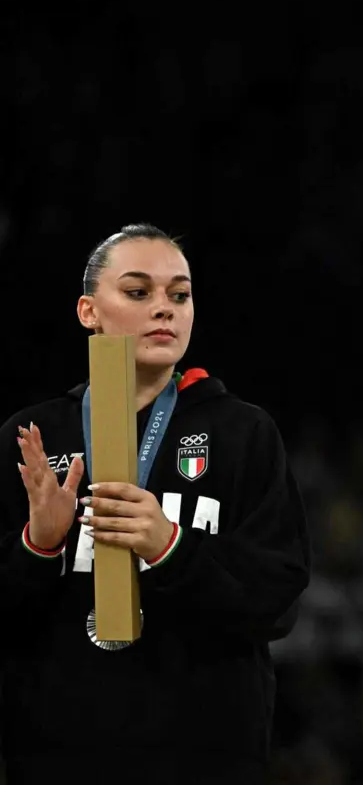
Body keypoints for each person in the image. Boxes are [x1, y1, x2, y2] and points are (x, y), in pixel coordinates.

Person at [0, 224, 312, 784]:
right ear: (88, 311)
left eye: (180, 294)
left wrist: (169, 546)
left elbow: (276, 604)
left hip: (203, 753)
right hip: (54, 750)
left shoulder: (244, 432)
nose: (164, 309)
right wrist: (38, 543)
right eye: (139, 292)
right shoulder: (32, 437)